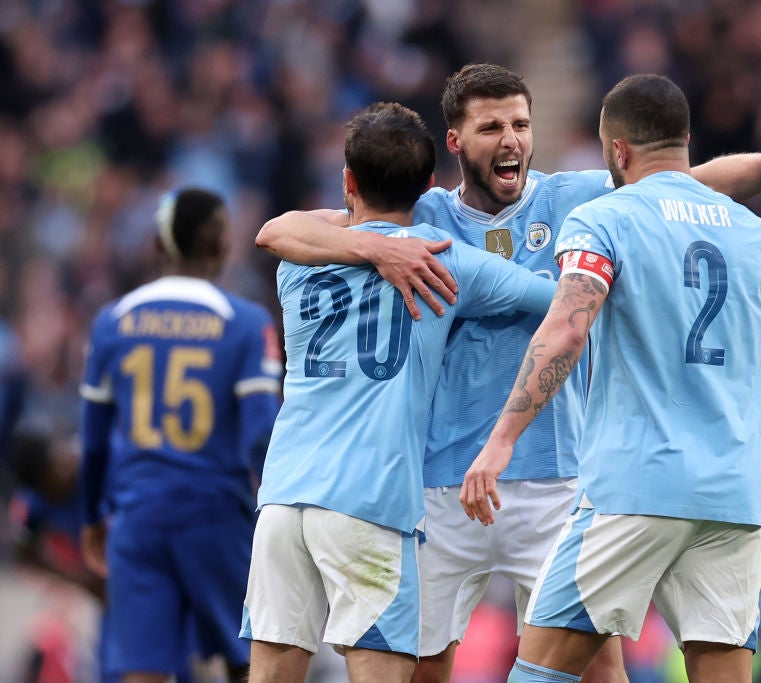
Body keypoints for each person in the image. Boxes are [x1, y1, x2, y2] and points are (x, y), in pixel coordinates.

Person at [254, 63, 761, 683]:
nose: (511, 139)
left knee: (595, 670)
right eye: (490, 127)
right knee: (423, 670)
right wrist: (375, 246)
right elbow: (290, 229)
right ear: (454, 142)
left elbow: (688, 184)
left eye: (520, 123)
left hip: (556, 477)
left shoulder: (578, 198)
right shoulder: (421, 215)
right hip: (441, 482)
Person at [459, 73, 761, 683]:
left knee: (540, 672)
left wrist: (500, 441)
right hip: (731, 498)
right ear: (685, 140)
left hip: (632, 487)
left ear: (617, 151)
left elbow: (567, 330)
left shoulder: (601, 220)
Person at [238, 101, 558, 683]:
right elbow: (558, 300)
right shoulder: (445, 260)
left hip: (285, 495)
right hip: (371, 502)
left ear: (347, 183)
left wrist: (366, 242)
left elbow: (277, 230)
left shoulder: (299, 259)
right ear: (430, 184)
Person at [78, 187, 282, 683]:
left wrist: (92, 518)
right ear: (220, 247)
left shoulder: (112, 322)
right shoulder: (245, 323)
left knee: (143, 670)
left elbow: (94, 442)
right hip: (215, 513)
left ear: (158, 247)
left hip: (137, 515)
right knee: (252, 663)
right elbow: (263, 433)